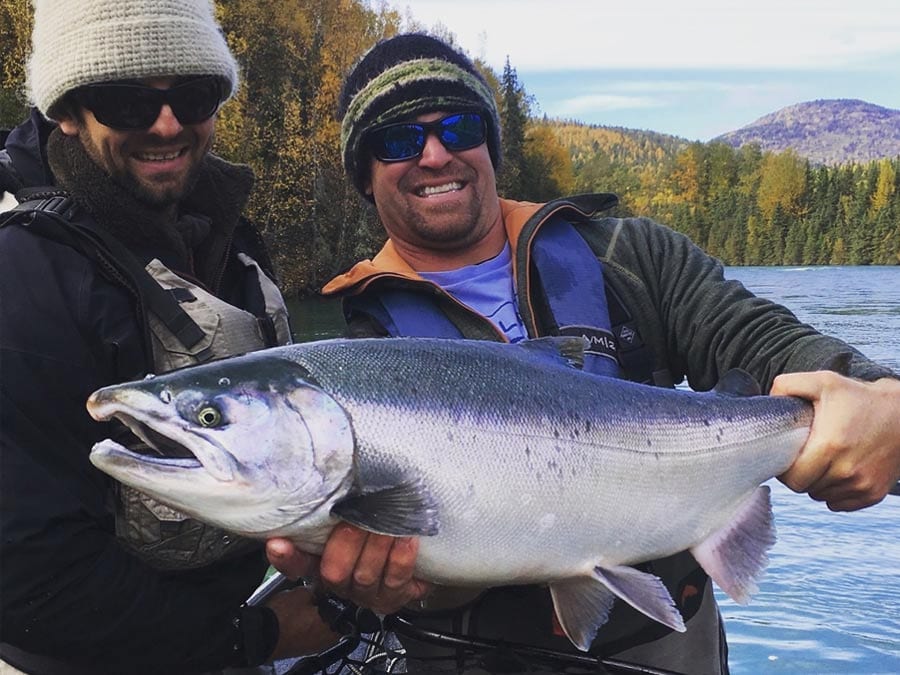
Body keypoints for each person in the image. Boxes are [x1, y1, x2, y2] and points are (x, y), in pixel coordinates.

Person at [269, 33, 900, 675]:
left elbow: (766, 343)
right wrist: (398, 583)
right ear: (364, 176)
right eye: (398, 141)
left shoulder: (631, 258)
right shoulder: (357, 361)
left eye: (458, 127)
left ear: (490, 144)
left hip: (669, 649)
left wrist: (877, 400)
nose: (434, 155)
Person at [0, 1, 379, 672]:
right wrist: (256, 636)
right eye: (125, 102)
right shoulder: (22, 277)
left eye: (194, 95)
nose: (168, 124)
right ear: (65, 111)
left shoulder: (228, 241)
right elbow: (30, 574)